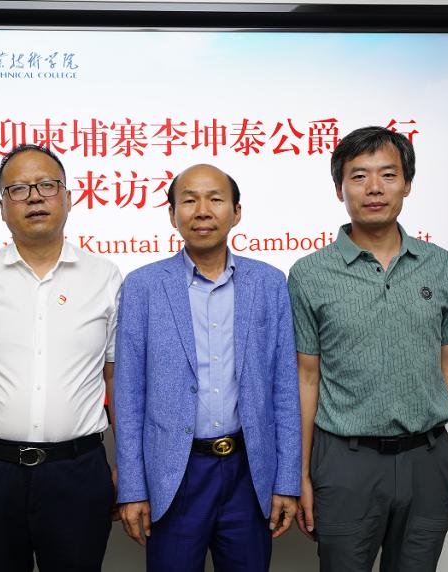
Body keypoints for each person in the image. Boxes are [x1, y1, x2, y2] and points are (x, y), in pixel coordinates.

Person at [288, 126, 448, 572]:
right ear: (339, 189)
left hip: (427, 460)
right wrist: (300, 475)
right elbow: (306, 377)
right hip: (345, 463)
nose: (374, 188)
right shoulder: (309, 274)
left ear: (407, 184)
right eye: (359, 176)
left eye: (388, 175)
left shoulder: (439, 264)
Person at [0, 144, 122, 572]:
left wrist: (124, 467)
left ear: (68, 198)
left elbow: (116, 380)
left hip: (77, 472)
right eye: (18, 189)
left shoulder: (105, 278)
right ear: (2, 208)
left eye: (47, 185)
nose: (34, 197)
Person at [114, 164, 301, 572]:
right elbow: (128, 396)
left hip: (248, 471)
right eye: (189, 200)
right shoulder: (143, 286)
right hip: (175, 474)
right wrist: (132, 488)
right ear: (172, 214)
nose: (202, 210)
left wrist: (286, 481)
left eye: (215, 199)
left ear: (236, 212)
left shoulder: (269, 283)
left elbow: (285, 389)